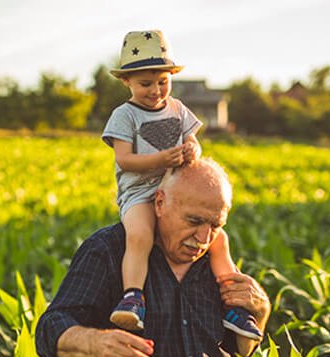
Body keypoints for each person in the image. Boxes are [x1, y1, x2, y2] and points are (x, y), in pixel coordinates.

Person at [35, 159, 271, 357]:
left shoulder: (215, 267)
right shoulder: (109, 251)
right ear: (160, 203)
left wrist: (259, 314)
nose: (204, 238)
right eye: (194, 221)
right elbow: (49, 330)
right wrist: (95, 343)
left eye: (216, 225)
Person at [102, 29, 262, 340]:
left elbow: (193, 142)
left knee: (219, 240)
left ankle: (236, 309)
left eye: (163, 81)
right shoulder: (124, 116)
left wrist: (192, 150)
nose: (156, 90)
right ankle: (133, 297)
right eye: (146, 84)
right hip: (140, 193)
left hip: (176, 189)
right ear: (127, 82)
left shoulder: (176, 108)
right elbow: (125, 160)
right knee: (139, 235)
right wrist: (163, 158)